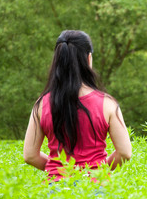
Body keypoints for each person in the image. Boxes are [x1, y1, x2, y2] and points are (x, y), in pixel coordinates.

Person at [23, 30, 132, 181]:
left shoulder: (41, 104)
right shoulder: (107, 104)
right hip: (95, 187)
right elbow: (125, 153)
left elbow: (30, 155)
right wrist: (98, 171)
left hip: (56, 191)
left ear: (58, 61)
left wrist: (58, 170)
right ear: (89, 58)